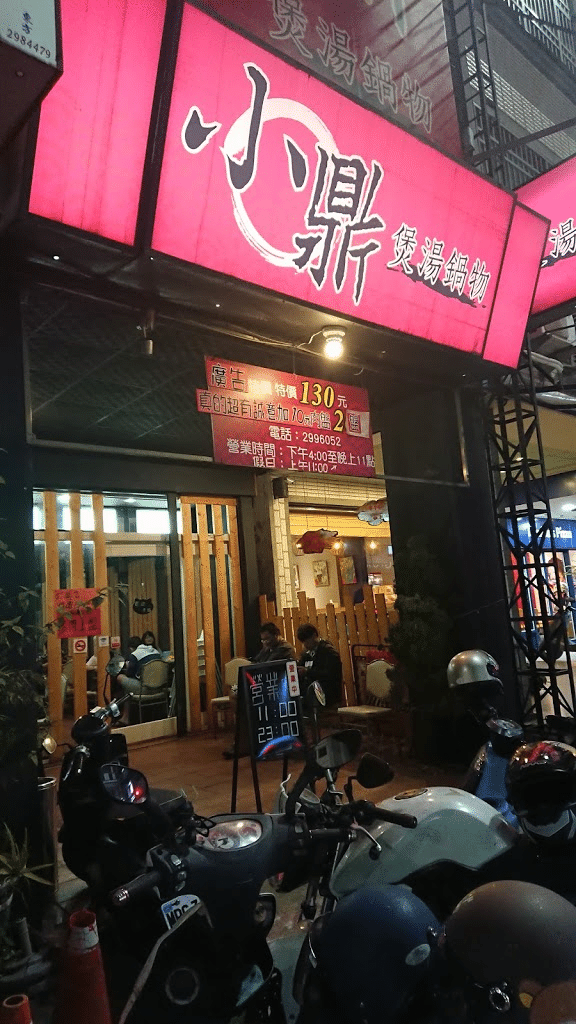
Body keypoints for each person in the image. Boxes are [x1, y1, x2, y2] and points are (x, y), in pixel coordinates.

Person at [114, 632, 161, 723]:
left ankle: (125, 717)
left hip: (145, 689)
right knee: (128, 687)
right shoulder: (156, 651)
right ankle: (127, 717)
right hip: (159, 688)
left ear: (131, 648)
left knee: (120, 678)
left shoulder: (135, 655)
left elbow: (130, 674)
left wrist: (128, 666)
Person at [296, 623, 343, 708]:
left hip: (327, 693)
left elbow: (331, 674)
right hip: (312, 693)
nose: (305, 644)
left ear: (314, 636)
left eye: (307, 640)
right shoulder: (306, 654)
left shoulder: (328, 651)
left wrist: (307, 672)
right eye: (303, 642)